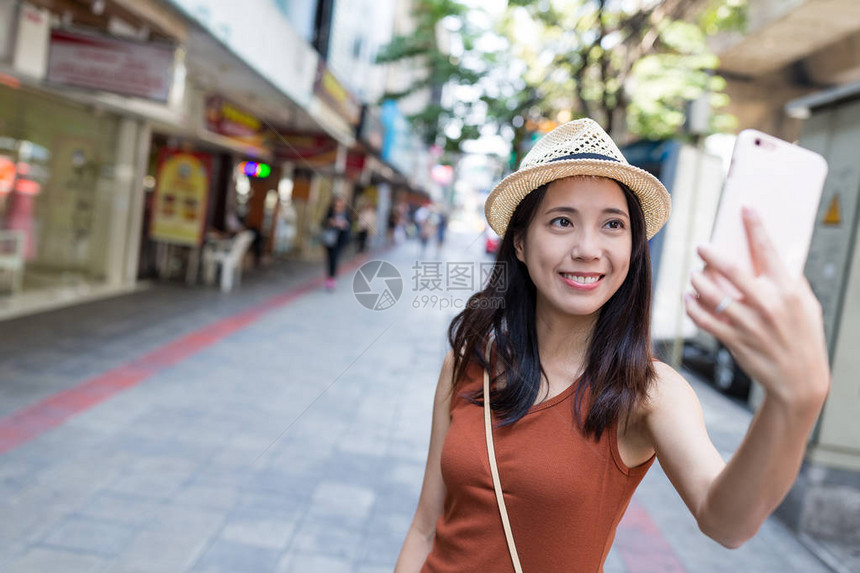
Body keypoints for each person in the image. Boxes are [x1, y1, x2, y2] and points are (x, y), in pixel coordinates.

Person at [394, 119, 830, 572]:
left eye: (612, 225)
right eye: (562, 221)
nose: (587, 248)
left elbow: (726, 523)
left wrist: (795, 402)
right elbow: (425, 526)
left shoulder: (647, 391)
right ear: (520, 242)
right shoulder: (469, 360)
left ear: (632, 247)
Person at [320, 195, 351, 291]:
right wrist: (331, 222)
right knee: (329, 258)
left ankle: (332, 277)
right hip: (329, 239)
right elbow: (323, 222)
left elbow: (349, 226)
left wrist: (343, 225)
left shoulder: (346, 214)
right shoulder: (330, 212)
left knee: (335, 258)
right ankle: (330, 276)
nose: (338, 205)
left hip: (340, 240)